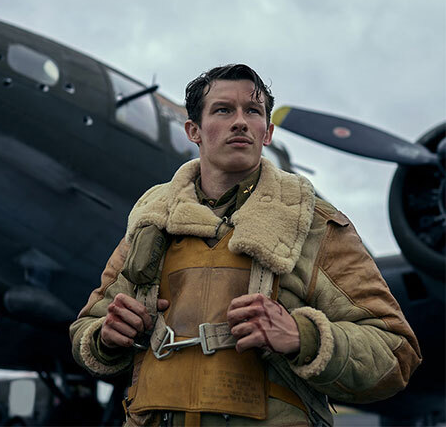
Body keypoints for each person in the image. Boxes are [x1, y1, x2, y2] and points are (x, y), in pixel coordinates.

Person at [69, 64, 421, 426]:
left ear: (266, 132)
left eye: (252, 112)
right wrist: (105, 336)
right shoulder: (151, 222)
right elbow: (87, 329)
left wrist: (303, 337)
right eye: (223, 110)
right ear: (194, 131)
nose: (240, 122)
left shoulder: (314, 224)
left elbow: (395, 353)